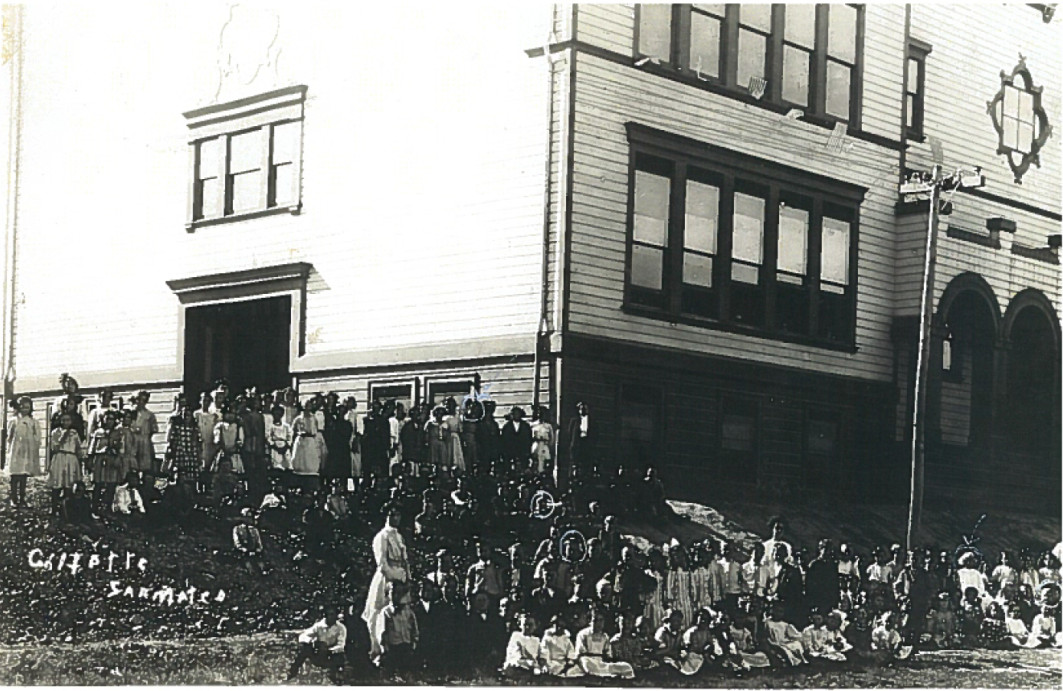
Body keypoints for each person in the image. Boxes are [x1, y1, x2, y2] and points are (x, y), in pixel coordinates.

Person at [363, 505, 410, 659]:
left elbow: (405, 560)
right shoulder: (381, 537)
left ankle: (401, 648)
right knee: (381, 613)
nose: (395, 518)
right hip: (387, 579)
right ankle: (379, 650)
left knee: (401, 612)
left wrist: (407, 578)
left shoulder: (399, 536)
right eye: (392, 515)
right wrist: (396, 579)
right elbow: (382, 563)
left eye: (398, 515)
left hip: (400, 579)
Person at [288, 606, 347, 682]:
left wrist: (329, 650)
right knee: (304, 649)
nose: (333, 617)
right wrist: (312, 643)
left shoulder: (341, 628)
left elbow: (341, 645)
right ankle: (292, 673)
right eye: (330, 614)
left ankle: (336, 677)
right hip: (318, 653)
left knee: (340, 656)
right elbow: (303, 636)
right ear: (325, 615)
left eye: (334, 614)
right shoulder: (319, 626)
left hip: (331, 654)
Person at [575, 608, 635, 678]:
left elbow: (608, 655)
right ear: (590, 621)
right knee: (585, 662)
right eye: (596, 620)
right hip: (589, 662)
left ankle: (603, 674)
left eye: (601, 621)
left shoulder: (605, 636)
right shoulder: (583, 634)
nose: (599, 624)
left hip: (601, 664)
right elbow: (580, 655)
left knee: (626, 666)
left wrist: (606, 662)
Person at [6, 396, 40, 508]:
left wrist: (33, 446)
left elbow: (37, 436)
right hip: (16, 450)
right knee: (15, 475)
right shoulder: (14, 421)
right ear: (18, 407)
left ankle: (22, 498)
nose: (25, 409)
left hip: (27, 450)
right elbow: (9, 437)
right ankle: (13, 498)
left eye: (27, 407)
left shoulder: (32, 422)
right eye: (22, 407)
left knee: (24, 474)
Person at [48, 412, 84, 514]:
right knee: (57, 483)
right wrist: (63, 436)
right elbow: (54, 447)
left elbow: (78, 448)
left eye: (68, 420)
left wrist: (81, 459)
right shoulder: (56, 432)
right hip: (59, 457)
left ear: (71, 421)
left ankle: (67, 509)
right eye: (63, 420)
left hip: (71, 458)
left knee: (69, 484)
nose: (66, 422)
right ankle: (54, 507)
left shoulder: (74, 433)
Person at [378, 582, 419, 671]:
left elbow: (414, 629)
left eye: (399, 593)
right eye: (393, 593)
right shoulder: (386, 612)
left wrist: (413, 643)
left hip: (406, 646)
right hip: (393, 648)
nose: (396, 596)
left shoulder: (409, 612)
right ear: (388, 595)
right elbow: (382, 632)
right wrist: (385, 648)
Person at [763, 602, 808, 666]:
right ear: (773, 611)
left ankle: (802, 659)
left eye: (781, 612)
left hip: (784, 642)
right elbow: (766, 635)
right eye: (777, 611)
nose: (779, 614)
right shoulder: (768, 623)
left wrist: (794, 639)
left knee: (796, 645)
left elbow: (792, 634)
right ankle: (794, 663)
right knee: (785, 650)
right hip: (774, 643)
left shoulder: (784, 624)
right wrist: (771, 643)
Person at [291, 400, 322, 491]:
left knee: (310, 460)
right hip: (301, 440)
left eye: (309, 405)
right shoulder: (298, 419)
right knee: (301, 460)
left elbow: (316, 430)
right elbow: (294, 430)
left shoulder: (314, 418)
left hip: (310, 440)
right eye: (306, 405)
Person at [130, 390, 158, 476]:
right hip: (131, 440)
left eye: (143, 400)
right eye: (138, 399)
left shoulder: (149, 415)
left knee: (144, 464)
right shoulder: (130, 413)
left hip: (144, 440)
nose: (140, 402)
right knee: (132, 463)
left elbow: (153, 429)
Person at [267, 405, 293, 473]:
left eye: (279, 414)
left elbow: (289, 436)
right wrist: (274, 445)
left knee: (286, 465)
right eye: (275, 414)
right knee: (276, 465)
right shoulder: (270, 426)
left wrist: (287, 445)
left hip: (285, 447)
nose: (277, 416)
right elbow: (268, 437)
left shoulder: (286, 426)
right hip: (275, 448)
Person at [530, 406, 554, 475]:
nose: (541, 415)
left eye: (543, 413)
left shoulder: (548, 426)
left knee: (544, 460)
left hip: (544, 445)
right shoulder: (533, 425)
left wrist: (548, 445)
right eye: (539, 413)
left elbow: (551, 438)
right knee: (535, 459)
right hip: (536, 444)